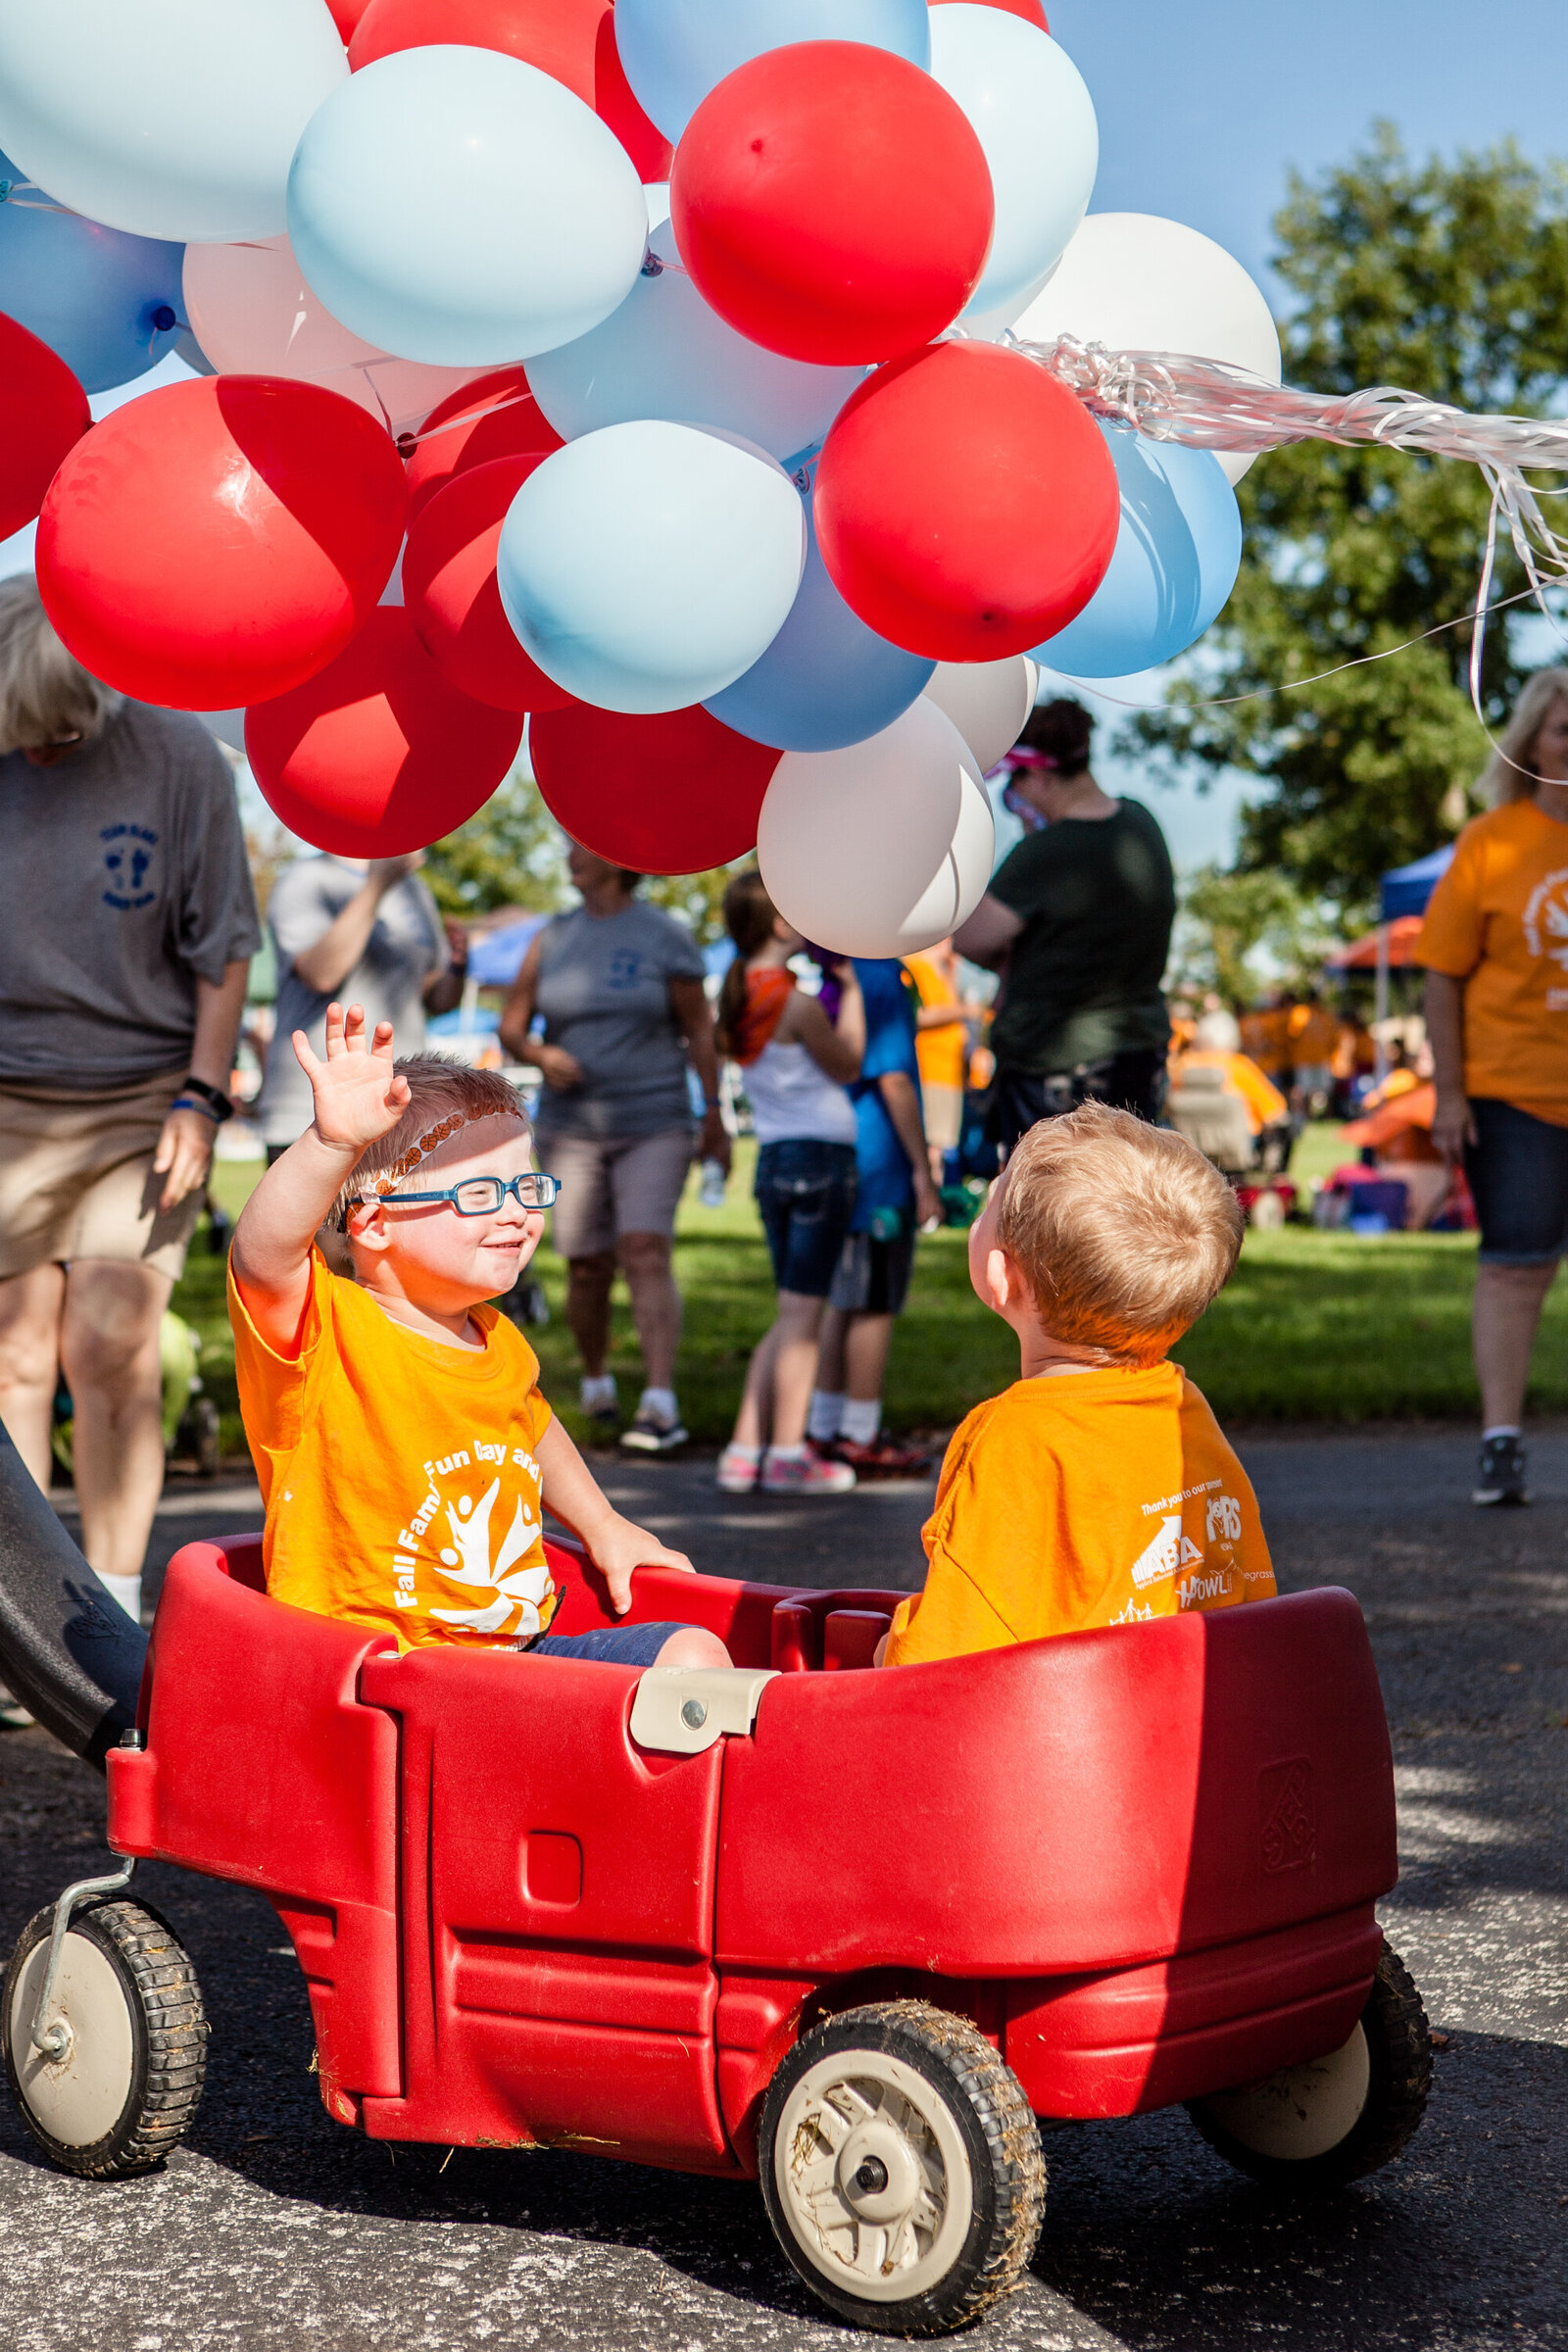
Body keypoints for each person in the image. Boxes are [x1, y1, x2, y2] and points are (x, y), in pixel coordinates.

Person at [228, 1007, 729, 1670]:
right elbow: (261, 1257)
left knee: (693, 1653)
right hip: (379, 1674)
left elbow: (530, 1423)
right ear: (375, 1224)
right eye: (482, 1191)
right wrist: (331, 1144)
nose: (518, 1210)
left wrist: (604, 1525)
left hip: (512, 1654)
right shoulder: (325, 1330)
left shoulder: (495, 1337)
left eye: (525, 1184)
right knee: (685, 1676)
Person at [0, 579, 258, 1642]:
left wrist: (200, 1094)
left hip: (145, 1094)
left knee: (109, 1339)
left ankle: (106, 1608)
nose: (46, 753)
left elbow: (225, 949)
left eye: (63, 731)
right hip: (10, 1088)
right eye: (26, 736)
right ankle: (22, 1618)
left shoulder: (178, 759)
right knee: (15, 1354)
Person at [879, 1102, 1275, 1666]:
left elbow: (936, 1663)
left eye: (990, 1201)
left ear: (999, 1274)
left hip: (1065, 1743)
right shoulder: (1182, 1410)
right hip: (1185, 1731)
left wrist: (880, 1649)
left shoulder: (1010, 1441)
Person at [499, 845, 726, 1454]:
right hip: (571, 1126)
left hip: (655, 1118)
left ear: (618, 857)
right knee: (586, 1262)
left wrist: (714, 1114)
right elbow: (511, 1028)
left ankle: (660, 1400)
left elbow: (699, 1029)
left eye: (582, 847)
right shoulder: (552, 938)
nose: (570, 856)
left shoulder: (664, 936)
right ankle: (597, 1381)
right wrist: (543, 1055)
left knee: (645, 1247)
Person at [1419, 665, 1568, 1506]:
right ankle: (1501, 1442)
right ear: (1533, 743)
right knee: (1516, 1267)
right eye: (1563, 731)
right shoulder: (1493, 841)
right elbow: (1441, 975)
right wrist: (1448, 1094)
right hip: (1514, 1096)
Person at [954, 699, 1176, 1156]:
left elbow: (969, 935)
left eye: (1014, 784)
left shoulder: (1047, 851)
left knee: (1044, 1213)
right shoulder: (1141, 823)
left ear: (1040, 776)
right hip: (1139, 1055)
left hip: (1055, 1068)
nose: (1013, 803)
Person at [712, 871, 864, 1495]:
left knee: (790, 1311)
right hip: (821, 1160)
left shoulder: (738, 996)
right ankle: (786, 1452)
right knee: (805, 1317)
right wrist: (850, 989)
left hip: (775, 1161)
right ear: (779, 925)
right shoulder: (797, 1004)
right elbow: (849, 1062)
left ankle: (746, 1448)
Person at [809, 958, 942, 1478]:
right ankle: (860, 1433)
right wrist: (921, 1171)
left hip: (844, 1155)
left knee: (842, 1300)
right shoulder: (876, 971)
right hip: (880, 1165)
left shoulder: (837, 970)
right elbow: (894, 1079)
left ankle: (824, 1427)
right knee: (875, 1302)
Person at [258, 850, 466, 1165]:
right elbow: (321, 973)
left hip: (403, 1112)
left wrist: (459, 967)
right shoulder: (306, 880)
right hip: (315, 1116)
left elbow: (436, 998)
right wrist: (377, 886)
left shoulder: (415, 891)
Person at [904, 938, 977, 1185]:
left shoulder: (941, 970)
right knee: (931, 1145)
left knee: (941, 1145)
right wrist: (964, 1011)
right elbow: (918, 1015)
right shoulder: (916, 966)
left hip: (949, 1074)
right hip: (930, 1071)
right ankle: (929, 1204)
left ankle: (935, 1203)